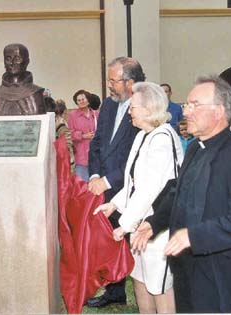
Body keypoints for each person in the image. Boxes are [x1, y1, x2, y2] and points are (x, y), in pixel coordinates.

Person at [165, 74, 231, 313]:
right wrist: (153, 222)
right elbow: (179, 196)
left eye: (194, 105)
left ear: (219, 111)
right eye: (186, 105)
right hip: (187, 272)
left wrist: (193, 236)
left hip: (220, 279)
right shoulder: (194, 150)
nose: (186, 112)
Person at [94, 82, 183, 313]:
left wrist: (124, 225)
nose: (130, 111)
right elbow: (133, 181)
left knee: (159, 285)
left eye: (133, 107)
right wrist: (114, 204)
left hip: (158, 226)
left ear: (148, 109)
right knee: (141, 279)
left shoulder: (162, 138)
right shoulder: (144, 135)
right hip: (139, 224)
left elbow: (150, 189)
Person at [86, 57, 143, 308]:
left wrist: (108, 180)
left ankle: (148, 291)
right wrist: (95, 176)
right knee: (110, 241)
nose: (109, 85)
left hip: (132, 190)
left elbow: (137, 156)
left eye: (113, 80)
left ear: (130, 82)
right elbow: (97, 143)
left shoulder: (144, 107)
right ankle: (114, 292)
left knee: (133, 243)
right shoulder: (109, 105)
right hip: (105, 188)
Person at [0, 43, 46, 115]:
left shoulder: (35, 92)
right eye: (8, 59)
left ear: (27, 62)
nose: (12, 63)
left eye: (17, 59)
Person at [68, 90, 98, 181]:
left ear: (88, 100)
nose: (81, 101)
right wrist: (83, 136)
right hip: (81, 156)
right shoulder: (72, 115)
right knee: (82, 186)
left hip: (96, 155)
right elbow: (70, 134)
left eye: (83, 99)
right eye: (79, 100)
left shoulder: (96, 114)